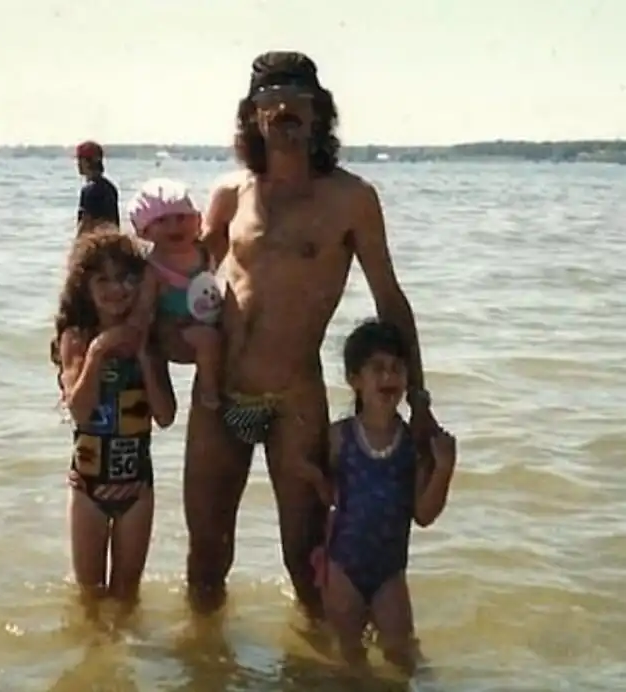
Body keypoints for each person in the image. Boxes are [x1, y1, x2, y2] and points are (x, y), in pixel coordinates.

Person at [184, 51, 437, 618]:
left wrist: (417, 400)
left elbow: (390, 299)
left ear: (320, 112)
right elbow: (186, 284)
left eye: (298, 102)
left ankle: (322, 659)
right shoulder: (230, 195)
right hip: (218, 394)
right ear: (252, 117)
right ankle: (204, 661)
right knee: (206, 558)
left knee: (308, 559)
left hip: (293, 399)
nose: (284, 113)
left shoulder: (350, 199)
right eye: (271, 103)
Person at [301, 319, 456, 673]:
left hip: (390, 573)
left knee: (403, 659)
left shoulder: (413, 446)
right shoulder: (339, 438)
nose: (389, 376)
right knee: (349, 661)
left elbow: (424, 514)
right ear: (355, 379)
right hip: (343, 567)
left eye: (397, 368)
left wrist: (444, 468)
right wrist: (310, 475)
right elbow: (324, 493)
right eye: (378, 368)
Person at [50, 225, 176, 605]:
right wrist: (98, 352)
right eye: (102, 280)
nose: (115, 288)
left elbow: (165, 415)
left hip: (137, 487)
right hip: (87, 486)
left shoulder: (150, 340)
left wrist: (143, 354)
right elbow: (80, 411)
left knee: (126, 596)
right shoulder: (77, 338)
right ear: (84, 288)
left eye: (125, 278)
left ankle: (125, 644)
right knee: (89, 597)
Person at [126, 178, 223, 409]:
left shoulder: (205, 253)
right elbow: (144, 310)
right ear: (144, 230)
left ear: (197, 220)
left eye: (181, 217)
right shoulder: (154, 269)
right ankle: (209, 393)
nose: (174, 227)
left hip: (206, 323)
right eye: (162, 221)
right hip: (173, 334)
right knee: (207, 339)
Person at [75, 140, 120, 236]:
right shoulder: (111, 188)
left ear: (87, 161)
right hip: (111, 241)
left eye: (79, 159)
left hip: (94, 242)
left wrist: (75, 243)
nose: (77, 164)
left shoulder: (89, 190)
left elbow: (85, 223)